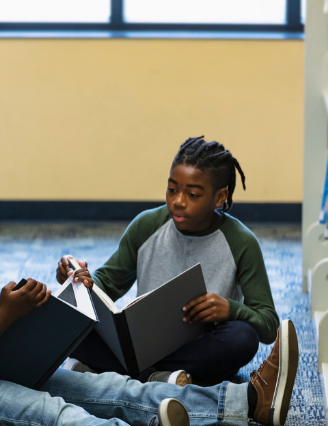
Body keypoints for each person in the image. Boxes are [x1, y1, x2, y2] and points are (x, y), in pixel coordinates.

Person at [0, 163, 299, 426]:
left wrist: (23, 301)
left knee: (113, 389)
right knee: (50, 415)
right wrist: (5, 316)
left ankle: (247, 400)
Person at [57, 136, 280, 386]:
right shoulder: (146, 225)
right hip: (142, 342)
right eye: (172, 189)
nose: (178, 201)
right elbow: (107, 282)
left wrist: (231, 309)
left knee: (242, 338)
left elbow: (268, 325)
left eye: (193, 194)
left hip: (199, 349)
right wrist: (81, 279)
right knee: (63, 317)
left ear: (220, 197)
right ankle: (159, 378)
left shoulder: (241, 241)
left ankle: (124, 372)